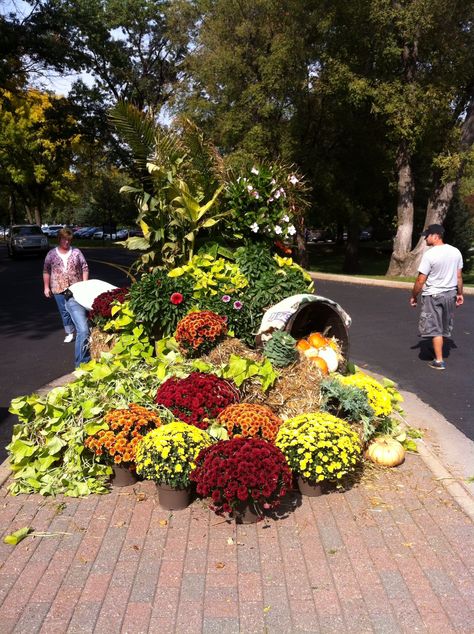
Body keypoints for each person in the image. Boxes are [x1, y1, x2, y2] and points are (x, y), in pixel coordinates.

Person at [410, 224, 464, 370]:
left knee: (435, 328)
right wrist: (459, 294)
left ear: (435, 236)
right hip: (450, 294)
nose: (425, 238)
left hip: (433, 295)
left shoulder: (430, 255)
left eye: (427, 235)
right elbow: (458, 276)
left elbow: (421, 279)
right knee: (444, 326)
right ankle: (438, 349)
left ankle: (439, 361)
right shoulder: (455, 252)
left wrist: (414, 296)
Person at [43, 228, 91, 367]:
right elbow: (46, 270)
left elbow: (85, 267)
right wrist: (46, 287)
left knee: (78, 313)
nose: (67, 242)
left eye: (69, 240)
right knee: (64, 311)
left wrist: (85, 283)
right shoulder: (52, 254)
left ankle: (79, 335)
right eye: (64, 239)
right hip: (58, 288)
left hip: (75, 289)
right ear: (59, 239)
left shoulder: (76, 252)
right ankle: (69, 332)